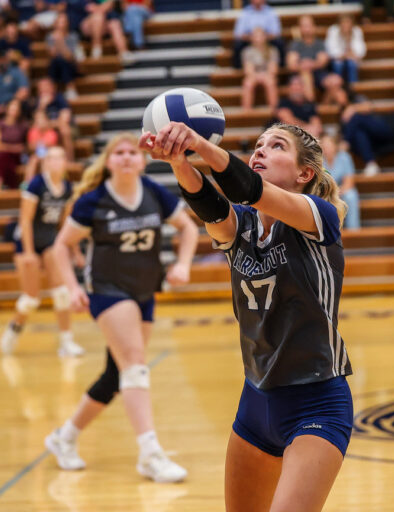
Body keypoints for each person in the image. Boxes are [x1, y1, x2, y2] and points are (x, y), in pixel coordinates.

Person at [139, 121, 353, 512]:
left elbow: (246, 188)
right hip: (255, 401)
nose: (260, 151)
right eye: (258, 144)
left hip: (316, 403)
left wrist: (199, 143)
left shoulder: (317, 217)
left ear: (304, 173)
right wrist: (178, 160)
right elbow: (210, 204)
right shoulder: (243, 224)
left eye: (276, 146)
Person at [44, 133, 198, 482]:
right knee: (136, 365)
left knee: (117, 375)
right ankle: (150, 454)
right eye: (120, 153)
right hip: (108, 290)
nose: (127, 157)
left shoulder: (154, 193)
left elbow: (187, 229)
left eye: (133, 152)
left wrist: (183, 265)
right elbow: (61, 246)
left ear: (143, 161)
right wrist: (71, 287)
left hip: (145, 289)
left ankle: (63, 438)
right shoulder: (93, 201)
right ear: (109, 162)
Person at [0, 146, 85, 357]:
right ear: (45, 163)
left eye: (59, 158)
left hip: (49, 240)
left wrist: (75, 251)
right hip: (26, 241)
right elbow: (25, 219)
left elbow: (65, 223)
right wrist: (29, 253)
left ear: (65, 163)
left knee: (62, 293)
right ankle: (14, 328)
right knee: (31, 299)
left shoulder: (67, 188)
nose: (55, 162)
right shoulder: (37, 184)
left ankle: (66, 342)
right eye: (51, 159)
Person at [286, 16, 347, 106]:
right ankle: (311, 106)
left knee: (336, 82)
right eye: (304, 26)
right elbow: (291, 65)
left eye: (309, 26)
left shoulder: (320, 43)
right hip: (300, 75)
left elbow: (322, 62)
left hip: (319, 74)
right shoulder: (295, 44)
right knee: (306, 74)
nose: (307, 29)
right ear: (300, 28)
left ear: (314, 27)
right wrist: (306, 65)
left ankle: (324, 106)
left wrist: (309, 63)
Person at [340, 96, 394, 176]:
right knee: (359, 133)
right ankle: (371, 163)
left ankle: (345, 142)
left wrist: (353, 109)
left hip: (384, 130)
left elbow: (368, 106)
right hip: (371, 141)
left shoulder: (355, 100)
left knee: (357, 118)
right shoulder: (344, 114)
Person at [29, 78, 76, 161]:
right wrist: (42, 106)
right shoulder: (38, 102)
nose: (44, 89)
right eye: (41, 87)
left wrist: (47, 124)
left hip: (63, 127)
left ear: (52, 87)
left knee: (65, 130)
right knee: (35, 131)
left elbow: (64, 120)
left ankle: (69, 161)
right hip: (47, 129)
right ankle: (41, 160)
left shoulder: (59, 99)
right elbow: (38, 121)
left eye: (46, 86)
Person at [322, 133, 360, 230]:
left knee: (351, 196)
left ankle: (353, 231)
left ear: (335, 146)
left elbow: (349, 181)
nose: (326, 148)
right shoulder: (318, 160)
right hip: (325, 192)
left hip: (341, 191)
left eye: (329, 145)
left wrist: (337, 193)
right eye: (324, 145)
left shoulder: (344, 157)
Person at [232, 0, 283, 69]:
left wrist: (262, 37)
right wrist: (253, 37)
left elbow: (276, 32)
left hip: (267, 39)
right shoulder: (245, 12)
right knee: (237, 45)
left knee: (279, 42)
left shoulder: (271, 12)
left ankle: (281, 66)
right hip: (249, 40)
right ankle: (238, 68)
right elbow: (238, 33)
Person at [0, 99, 28, 191]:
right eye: (12, 107)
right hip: (1, 155)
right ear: (7, 109)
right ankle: (12, 187)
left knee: (5, 157)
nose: (14, 109)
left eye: (17, 107)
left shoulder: (23, 125)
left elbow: (25, 146)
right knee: (4, 157)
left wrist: (10, 148)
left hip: (17, 157)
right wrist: (14, 148)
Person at [45, 13, 83, 100]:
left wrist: (60, 42)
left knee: (63, 61)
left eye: (63, 22)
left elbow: (69, 56)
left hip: (72, 65)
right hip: (56, 65)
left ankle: (70, 88)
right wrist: (56, 40)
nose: (61, 24)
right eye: (60, 22)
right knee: (56, 61)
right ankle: (53, 92)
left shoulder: (73, 36)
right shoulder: (50, 36)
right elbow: (52, 54)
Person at [241, 28, 280, 111]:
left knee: (271, 82)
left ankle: (275, 110)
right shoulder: (247, 51)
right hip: (253, 75)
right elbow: (248, 70)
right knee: (248, 83)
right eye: (255, 36)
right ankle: (246, 111)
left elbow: (273, 70)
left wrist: (264, 76)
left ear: (265, 37)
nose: (258, 38)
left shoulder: (272, 50)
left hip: (267, 75)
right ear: (251, 38)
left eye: (260, 36)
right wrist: (258, 76)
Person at [325, 14, 366, 86]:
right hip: (337, 60)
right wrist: (344, 55)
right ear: (339, 24)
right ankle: (338, 88)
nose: (345, 25)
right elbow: (330, 50)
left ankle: (353, 90)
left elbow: (361, 51)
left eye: (348, 22)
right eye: (343, 22)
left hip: (351, 59)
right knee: (338, 65)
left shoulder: (357, 31)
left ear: (352, 23)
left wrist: (351, 51)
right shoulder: (333, 31)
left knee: (351, 64)